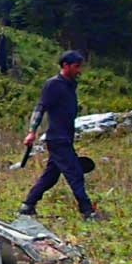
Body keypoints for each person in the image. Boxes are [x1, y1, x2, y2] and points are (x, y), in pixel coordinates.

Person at [20, 50, 103, 221]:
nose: (79, 70)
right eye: (76, 66)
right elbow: (40, 108)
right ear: (65, 65)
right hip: (57, 139)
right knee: (75, 173)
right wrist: (31, 132)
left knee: (50, 177)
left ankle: (27, 205)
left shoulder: (70, 84)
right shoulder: (53, 84)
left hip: (66, 137)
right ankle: (87, 211)